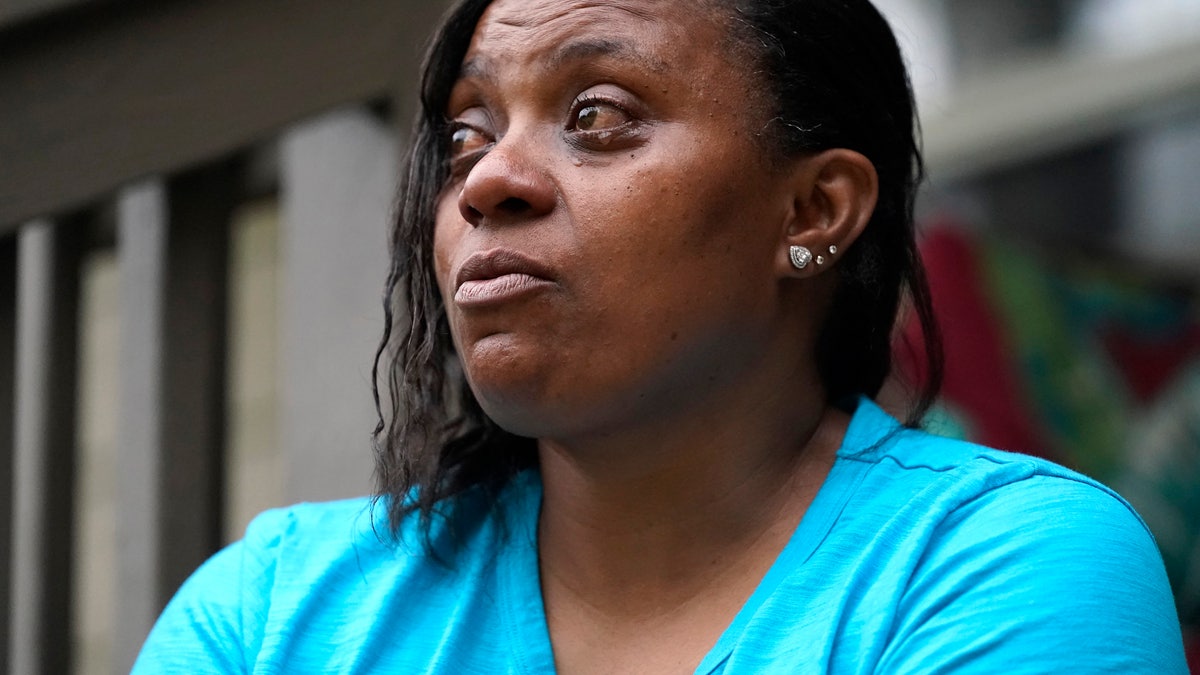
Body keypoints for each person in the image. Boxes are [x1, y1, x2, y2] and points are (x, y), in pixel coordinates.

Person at [133, 0, 1188, 672]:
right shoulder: (272, 613)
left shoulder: (997, 568)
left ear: (813, 211)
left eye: (597, 116)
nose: (490, 180)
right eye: (466, 135)